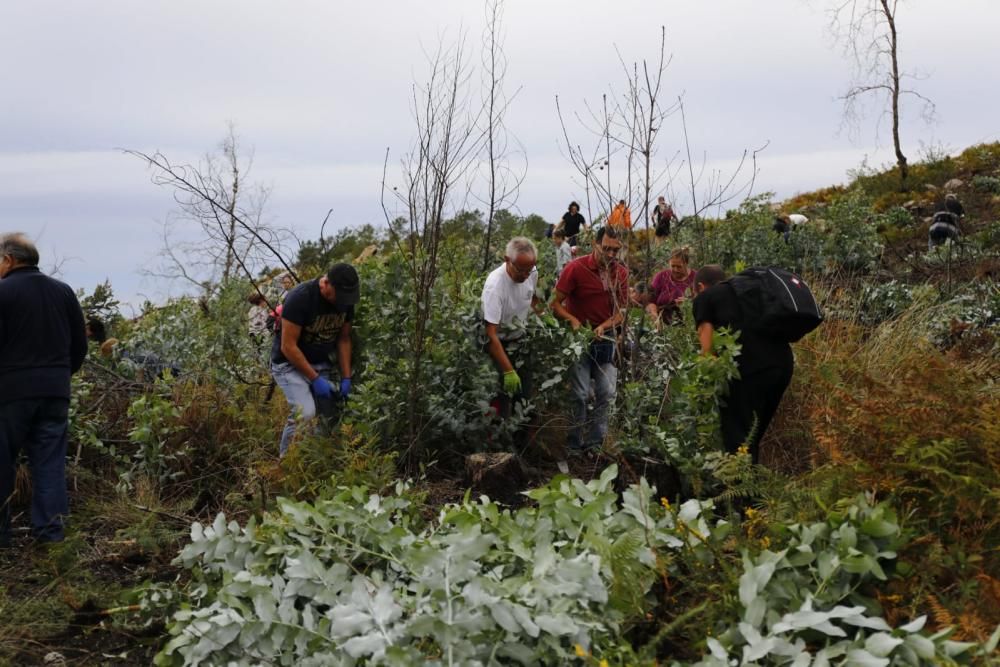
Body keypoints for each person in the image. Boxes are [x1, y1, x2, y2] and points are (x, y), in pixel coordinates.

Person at [0, 233, 87, 546]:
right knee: (49, 465)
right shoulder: (63, 292)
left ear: (9, 260)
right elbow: (80, 344)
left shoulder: (2, 293)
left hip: (9, 394)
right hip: (55, 392)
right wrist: (60, 376)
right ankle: (50, 537)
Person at [691, 264, 793, 464]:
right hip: (782, 366)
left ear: (700, 287)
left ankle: (741, 492)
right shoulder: (746, 291)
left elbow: (707, 353)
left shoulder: (705, 298)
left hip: (749, 370)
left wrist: (704, 391)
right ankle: (750, 488)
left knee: (737, 439)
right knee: (751, 437)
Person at [551, 226, 629, 453]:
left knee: (606, 392)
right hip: (579, 340)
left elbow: (622, 312)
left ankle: (595, 445)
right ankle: (573, 444)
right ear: (595, 245)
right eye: (607, 249)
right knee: (580, 393)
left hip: (605, 339)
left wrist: (605, 326)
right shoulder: (575, 268)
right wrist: (573, 320)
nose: (612, 255)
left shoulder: (621, 273)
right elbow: (554, 304)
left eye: (616, 250)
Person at [271, 263, 359, 457]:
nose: (342, 303)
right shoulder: (301, 298)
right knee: (306, 413)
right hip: (288, 364)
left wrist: (346, 378)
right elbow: (288, 347)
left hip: (320, 362)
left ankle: (314, 458)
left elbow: (344, 339)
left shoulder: (346, 300)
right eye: (339, 297)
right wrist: (314, 379)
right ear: (326, 283)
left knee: (330, 414)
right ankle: (286, 465)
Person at [481, 237, 541, 420]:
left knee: (523, 399)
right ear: (507, 260)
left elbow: (532, 298)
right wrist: (508, 370)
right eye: (520, 270)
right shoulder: (495, 286)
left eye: (528, 270)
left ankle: (520, 444)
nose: (525, 275)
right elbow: (490, 334)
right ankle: (497, 443)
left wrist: (539, 317)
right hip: (498, 346)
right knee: (499, 402)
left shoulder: (532, 272)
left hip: (520, 343)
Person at [646, 247, 696, 326]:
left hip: (686, 325)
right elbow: (650, 300)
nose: (675, 269)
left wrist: (688, 304)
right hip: (661, 324)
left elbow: (702, 303)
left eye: (679, 267)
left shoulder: (695, 278)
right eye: (673, 266)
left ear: (686, 264)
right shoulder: (661, 276)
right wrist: (654, 315)